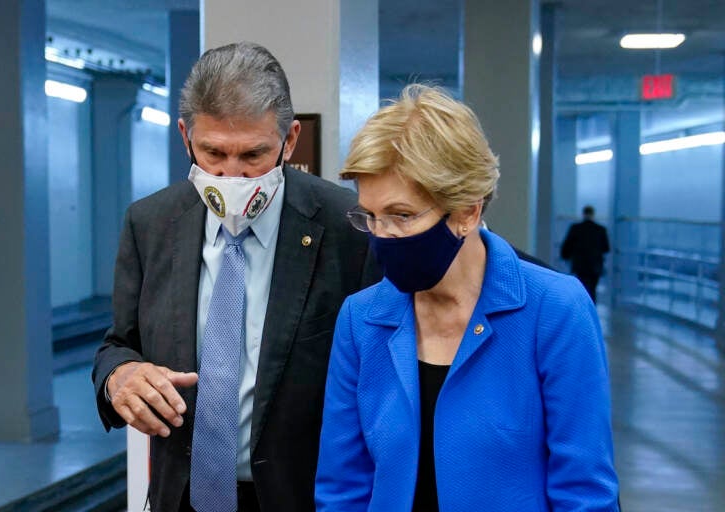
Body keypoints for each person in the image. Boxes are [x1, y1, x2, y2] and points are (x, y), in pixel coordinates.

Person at [92, 42, 378, 512]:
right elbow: (118, 343)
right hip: (181, 497)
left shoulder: (348, 227)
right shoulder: (149, 224)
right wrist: (119, 375)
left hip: (301, 497)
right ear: (185, 136)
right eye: (213, 153)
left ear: (289, 141)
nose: (232, 176)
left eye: (253, 154)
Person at [315, 85, 619, 511]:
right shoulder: (362, 319)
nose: (382, 235)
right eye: (371, 216)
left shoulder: (555, 311)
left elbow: (584, 492)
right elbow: (342, 488)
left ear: (467, 212)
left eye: (401, 216)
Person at [560, 205, 611, 302]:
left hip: (580, 265)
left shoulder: (575, 228)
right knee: (593, 289)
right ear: (593, 214)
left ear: (583, 214)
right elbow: (606, 248)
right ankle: (592, 310)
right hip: (595, 266)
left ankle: (583, 309)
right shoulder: (600, 229)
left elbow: (567, 245)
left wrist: (565, 257)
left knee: (582, 288)